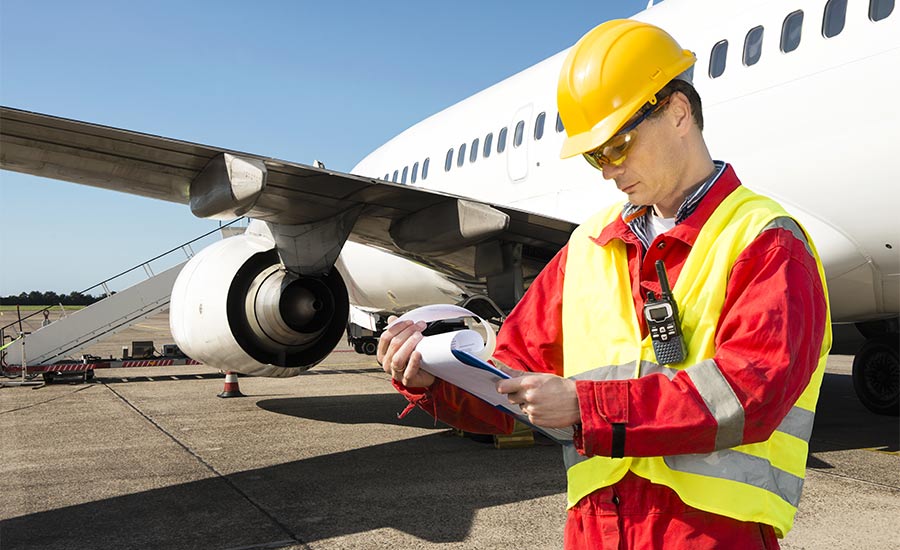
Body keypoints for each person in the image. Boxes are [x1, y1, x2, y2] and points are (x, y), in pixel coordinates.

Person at [378, 19, 830, 549]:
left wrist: (585, 406)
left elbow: (751, 394)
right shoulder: (590, 244)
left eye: (617, 146)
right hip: (597, 530)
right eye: (595, 155)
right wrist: (433, 377)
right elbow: (508, 377)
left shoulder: (765, 239)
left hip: (708, 535)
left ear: (679, 113)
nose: (607, 170)